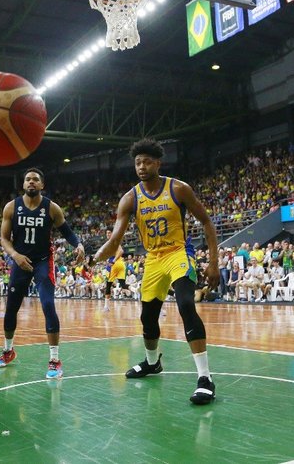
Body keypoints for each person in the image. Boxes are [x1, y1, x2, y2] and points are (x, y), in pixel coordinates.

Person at [93, 138, 219, 405]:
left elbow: (206, 221)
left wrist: (214, 262)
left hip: (178, 254)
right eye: (138, 162)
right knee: (148, 319)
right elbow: (116, 238)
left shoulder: (178, 188)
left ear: (158, 163)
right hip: (152, 259)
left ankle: (205, 379)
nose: (142, 166)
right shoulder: (130, 198)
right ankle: (152, 364)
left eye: (147, 161)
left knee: (186, 304)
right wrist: (98, 254)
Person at [0, 167, 85, 379]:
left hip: (43, 261)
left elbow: (68, 232)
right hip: (20, 260)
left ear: (42, 185)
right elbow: (4, 239)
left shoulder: (52, 208)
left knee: (48, 304)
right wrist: (15, 256)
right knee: (11, 308)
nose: (31, 182)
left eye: (35, 179)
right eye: (27, 179)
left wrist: (78, 245)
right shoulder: (11, 207)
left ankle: (54, 360)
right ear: (23, 185)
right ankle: (8, 351)